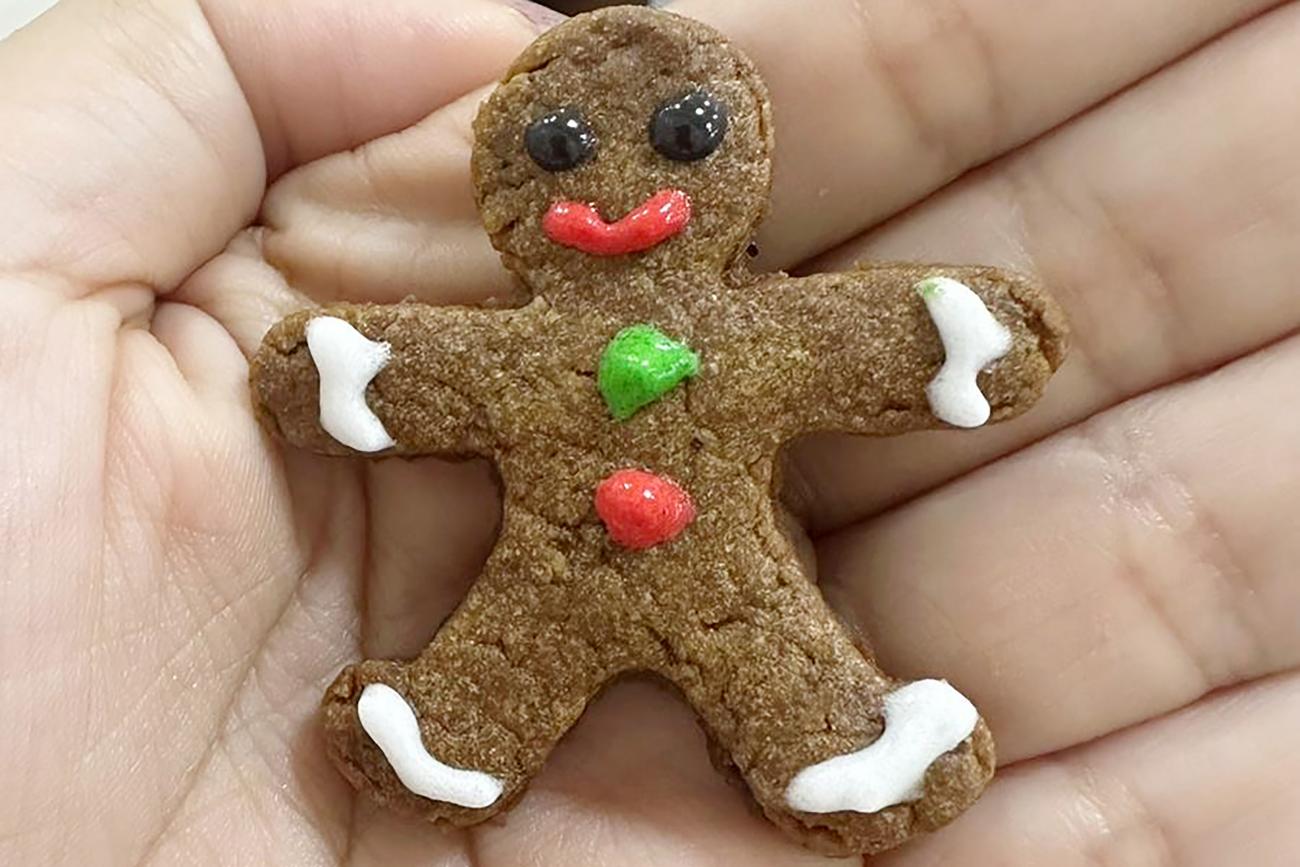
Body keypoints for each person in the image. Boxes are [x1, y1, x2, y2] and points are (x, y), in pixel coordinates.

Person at [1, 0, 1296, 864]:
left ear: (726, 170)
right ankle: (452, 736)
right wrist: (348, 370)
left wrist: (951, 338)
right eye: (562, 149)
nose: (618, 188)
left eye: (682, 138)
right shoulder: (528, 352)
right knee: (515, 650)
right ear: (516, 178)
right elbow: (422, 374)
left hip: (722, 561)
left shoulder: (750, 337)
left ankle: (837, 749)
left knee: (771, 652)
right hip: (554, 569)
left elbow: (855, 341)